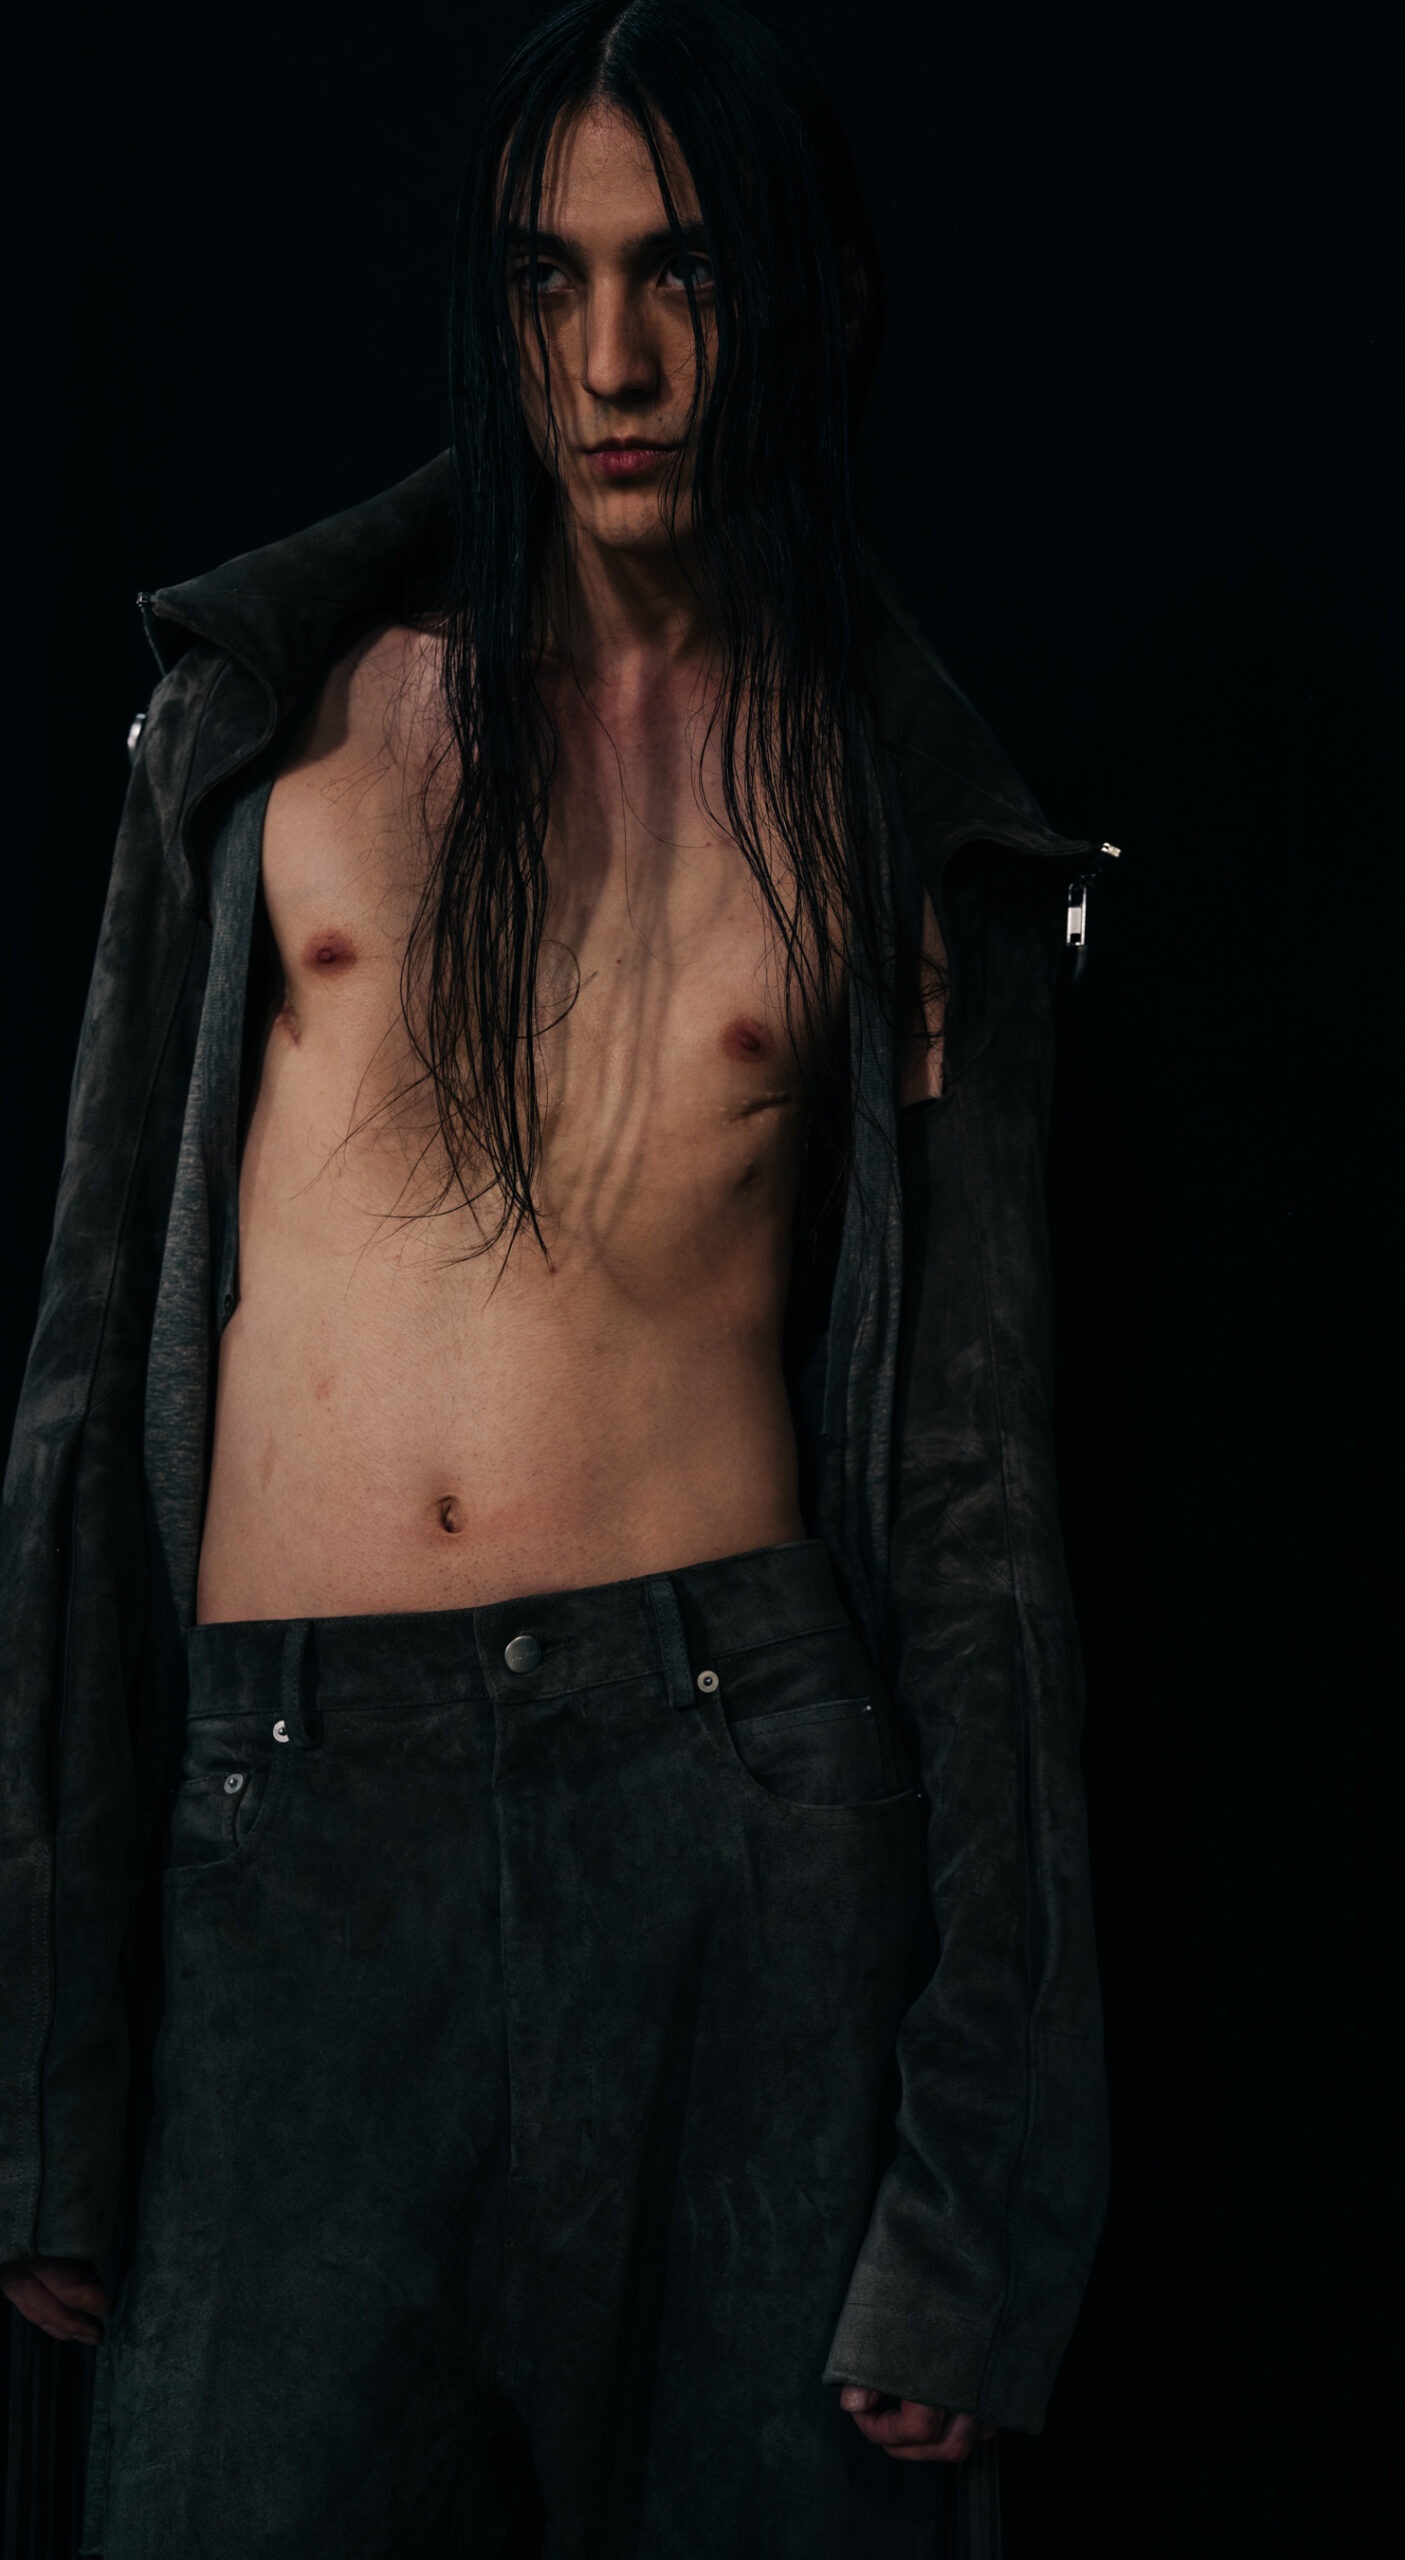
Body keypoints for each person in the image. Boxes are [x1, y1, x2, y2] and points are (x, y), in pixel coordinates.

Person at [0, 3, 1110, 2550]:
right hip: (292, 1830)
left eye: (680, 274)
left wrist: (981, 2182)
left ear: (806, 296)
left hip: (734, 1827)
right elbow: (77, 1390)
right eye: (548, 279)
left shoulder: (895, 812)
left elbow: (976, 1509)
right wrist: (46, 2064)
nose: (611, 363)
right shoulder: (275, 735)